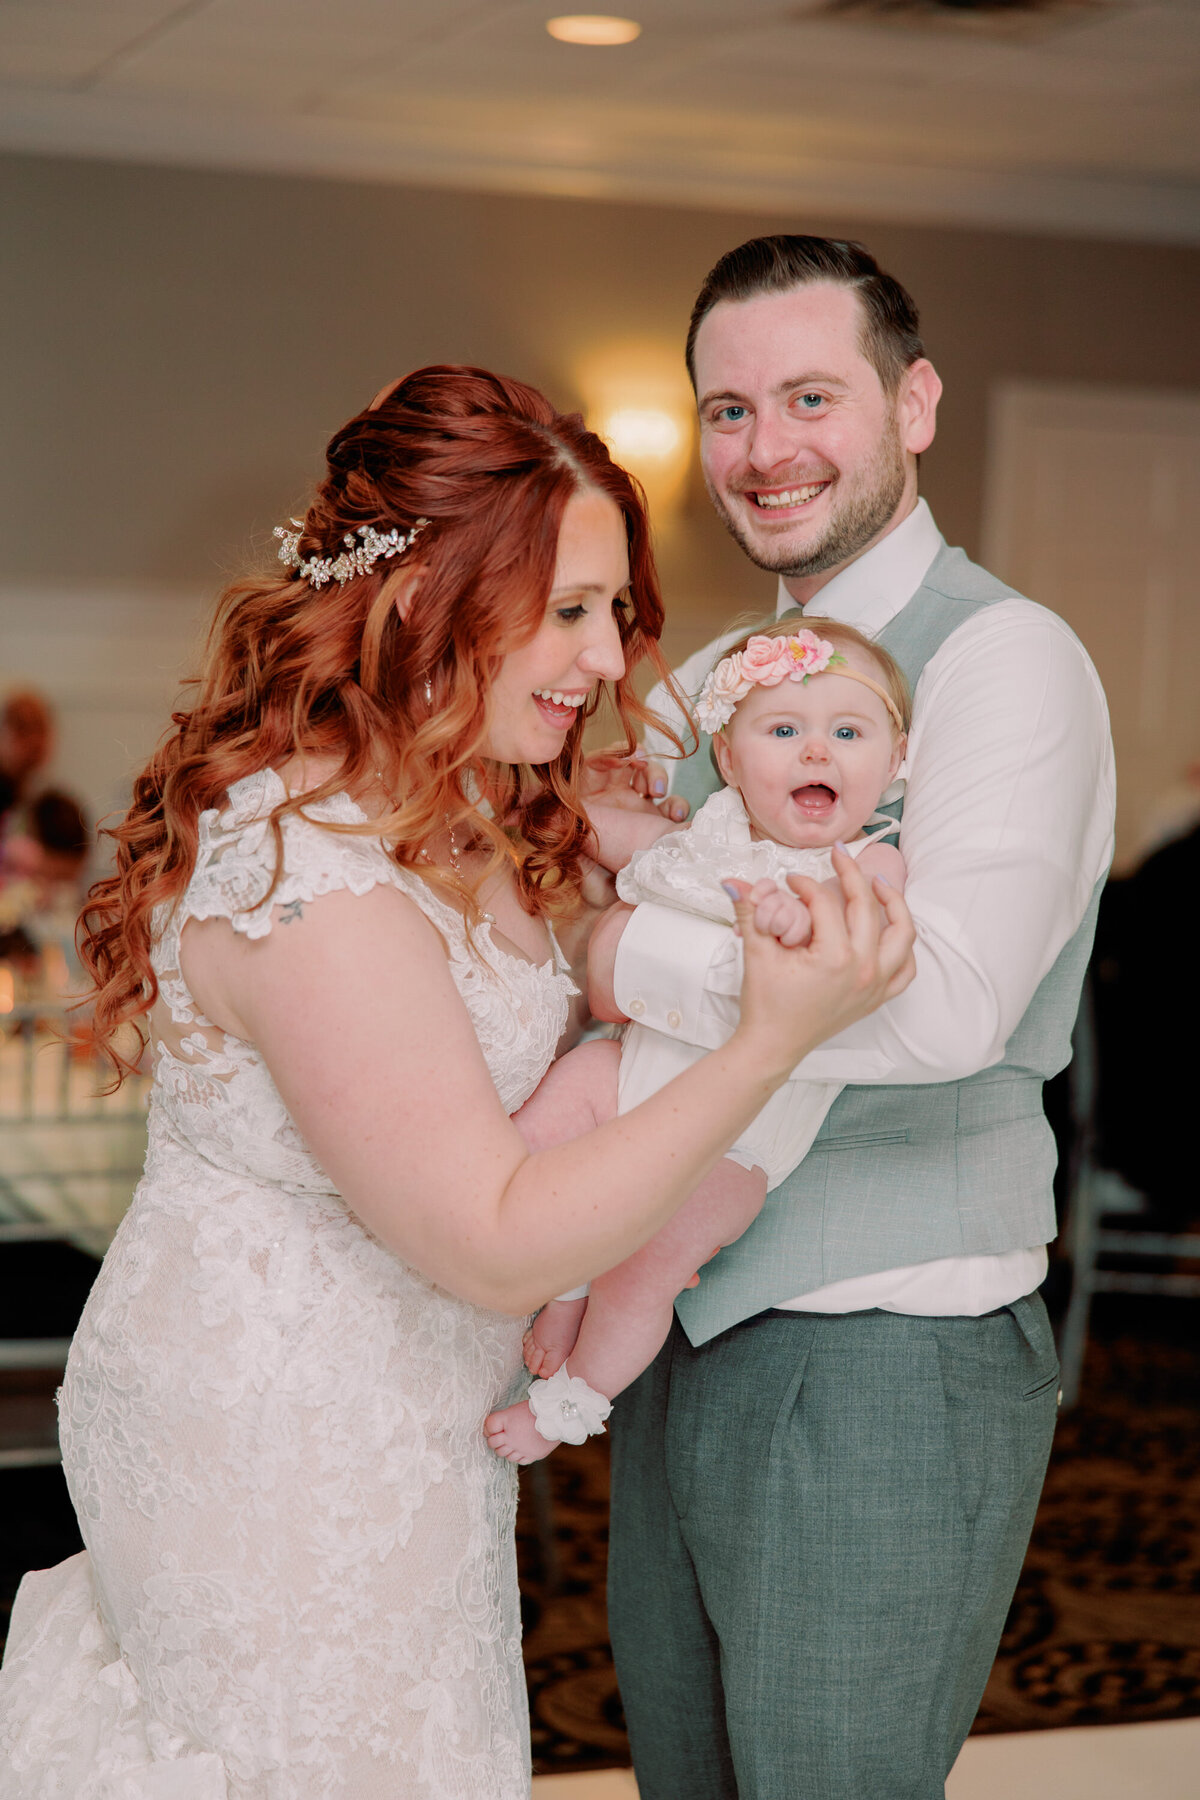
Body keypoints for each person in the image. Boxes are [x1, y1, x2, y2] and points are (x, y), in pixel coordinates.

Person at [0, 364, 914, 1800]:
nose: (610, 657)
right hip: (277, 1436)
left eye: (613, 610)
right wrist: (765, 1043)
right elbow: (491, 1238)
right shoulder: (310, 875)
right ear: (424, 599)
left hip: (400, 1420)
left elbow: (490, 1071)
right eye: (566, 611)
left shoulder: (451, 809)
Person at [603, 238, 1116, 1800]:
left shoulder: (1005, 658)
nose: (767, 449)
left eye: (811, 395)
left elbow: (952, 1003)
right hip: (668, 1323)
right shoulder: (709, 679)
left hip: (890, 1335)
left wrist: (622, 957)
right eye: (731, 409)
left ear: (916, 404)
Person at [485, 618, 909, 1465]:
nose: (816, 754)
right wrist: (562, 812)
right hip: (632, 1068)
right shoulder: (704, 837)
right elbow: (601, 836)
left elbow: (856, 953)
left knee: (644, 1270)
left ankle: (570, 1405)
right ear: (728, 759)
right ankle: (557, 1279)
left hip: (739, 1137)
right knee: (547, 1123)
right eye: (783, 731)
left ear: (896, 763)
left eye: (848, 733)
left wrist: (798, 919)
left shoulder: (873, 863)